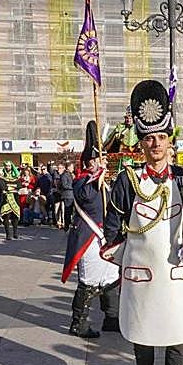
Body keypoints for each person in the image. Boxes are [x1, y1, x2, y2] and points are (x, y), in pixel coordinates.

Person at [102, 80, 183, 365]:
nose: (155, 144)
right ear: (141, 142)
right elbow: (112, 230)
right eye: (149, 138)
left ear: (170, 140)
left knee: (179, 337)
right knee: (143, 337)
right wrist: (127, 258)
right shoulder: (127, 180)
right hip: (141, 276)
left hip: (177, 273)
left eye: (161, 137)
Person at [62, 121, 120, 338]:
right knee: (89, 281)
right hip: (89, 237)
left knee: (111, 277)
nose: (101, 162)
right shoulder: (82, 181)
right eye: (97, 160)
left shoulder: (104, 181)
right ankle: (78, 323)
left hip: (106, 237)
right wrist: (98, 176)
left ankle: (111, 318)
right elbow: (84, 195)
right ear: (88, 163)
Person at [0, 161, 21, 240]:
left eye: (9, 166)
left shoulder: (16, 176)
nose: (8, 167)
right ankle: (8, 234)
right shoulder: (2, 176)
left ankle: (15, 233)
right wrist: (11, 187)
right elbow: (2, 186)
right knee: (6, 216)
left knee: (15, 216)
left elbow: (19, 185)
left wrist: (9, 187)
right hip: (6, 198)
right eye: (6, 166)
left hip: (15, 197)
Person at [60, 162, 75, 231]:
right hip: (67, 195)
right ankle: (66, 225)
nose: (73, 168)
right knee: (67, 211)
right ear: (68, 167)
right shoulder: (64, 175)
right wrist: (73, 186)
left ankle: (70, 223)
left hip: (72, 195)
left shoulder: (71, 174)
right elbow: (64, 185)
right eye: (72, 167)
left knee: (71, 211)